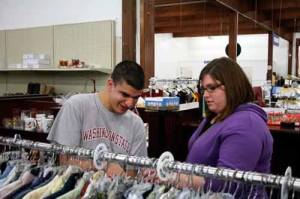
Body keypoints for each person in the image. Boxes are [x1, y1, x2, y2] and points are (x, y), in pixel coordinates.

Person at [172, 57, 273, 197]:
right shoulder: (216, 116)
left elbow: (228, 184)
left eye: (212, 88)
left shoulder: (246, 125)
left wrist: (174, 178)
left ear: (232, 86)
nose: (205, 95)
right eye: (203, 89)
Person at [47, 60, 147, 175]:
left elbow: (133, 173)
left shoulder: (136, 123)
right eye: (125, 95)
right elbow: (64, 161)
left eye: (136, 97)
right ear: (110, 84)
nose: (130, 103)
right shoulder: (76, 106)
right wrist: (102, 166)